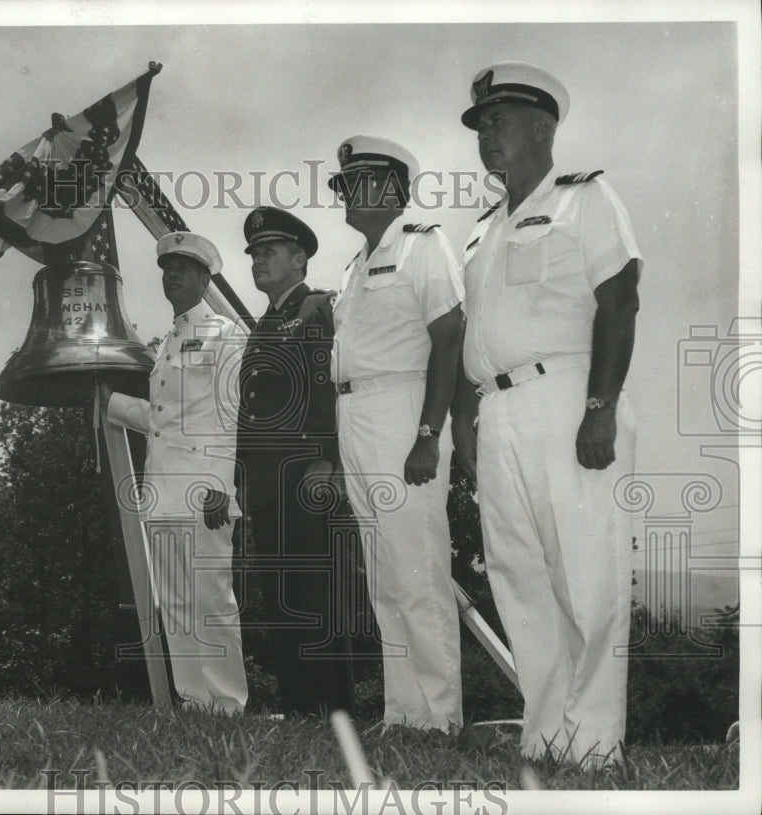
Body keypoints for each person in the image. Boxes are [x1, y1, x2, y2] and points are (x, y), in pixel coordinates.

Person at [452, 61, 642, 766]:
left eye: (498, 121)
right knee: (519, 574)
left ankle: (594, 743)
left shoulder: (585, 199)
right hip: (497, 411)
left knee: (586, 572)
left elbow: (620, 300)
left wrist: (601, 406)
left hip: (568, 395)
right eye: (480, 126)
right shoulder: (480, 232)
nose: (486, 136)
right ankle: (547, 731)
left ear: (542, 126)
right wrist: (470, 418)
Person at [329, 135, 465, 732]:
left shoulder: (422, 245)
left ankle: (440, 717)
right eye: (342, 184)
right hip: (356, 416)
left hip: (402, 409)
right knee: (385, 573)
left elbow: (450, 335)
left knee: (418, 570)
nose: (346, 196)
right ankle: (403, 712)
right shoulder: (354, 268)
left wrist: (429, 432)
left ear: (392, 189)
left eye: (356, 183)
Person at [101, 231, 248, 713]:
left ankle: (227, 705)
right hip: (161, 489)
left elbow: (233, 416)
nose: (173, 275)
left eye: (184, 268)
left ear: (205, 279)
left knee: (212, 602)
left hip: (202, 491)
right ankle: (194, 702)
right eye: (168, 268)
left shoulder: (225, 335)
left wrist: (221, 489)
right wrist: (112, 404)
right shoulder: (168, 343)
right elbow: (163, 422)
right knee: (178, 604)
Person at [236, 206, 355, 717]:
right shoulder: (264, 324)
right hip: (268, 487)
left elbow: (330, 388)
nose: (259, 260)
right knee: (284, 603)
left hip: (308, 478)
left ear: (300, 258)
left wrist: (328, 459)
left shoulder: (316, 310)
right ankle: (301, 711)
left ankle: (335, 712)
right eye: (255, 253)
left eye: (270, 251)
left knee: (316, 598)